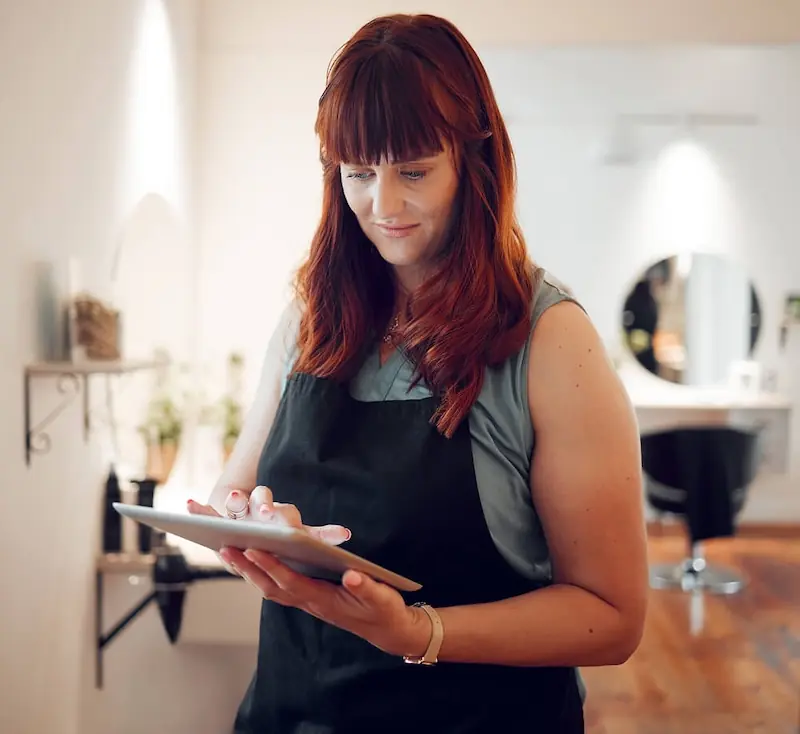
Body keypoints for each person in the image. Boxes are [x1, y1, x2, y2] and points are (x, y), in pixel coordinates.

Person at [188, 12, 648, 733]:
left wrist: (418, 633)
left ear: (474, 160)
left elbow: (614, 617)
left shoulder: (551, 341)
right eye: (359, 173)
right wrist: (253, 521)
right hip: (290, 712)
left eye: (414, 170)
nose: (384, 205)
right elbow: (235, 486)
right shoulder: (312, 312)